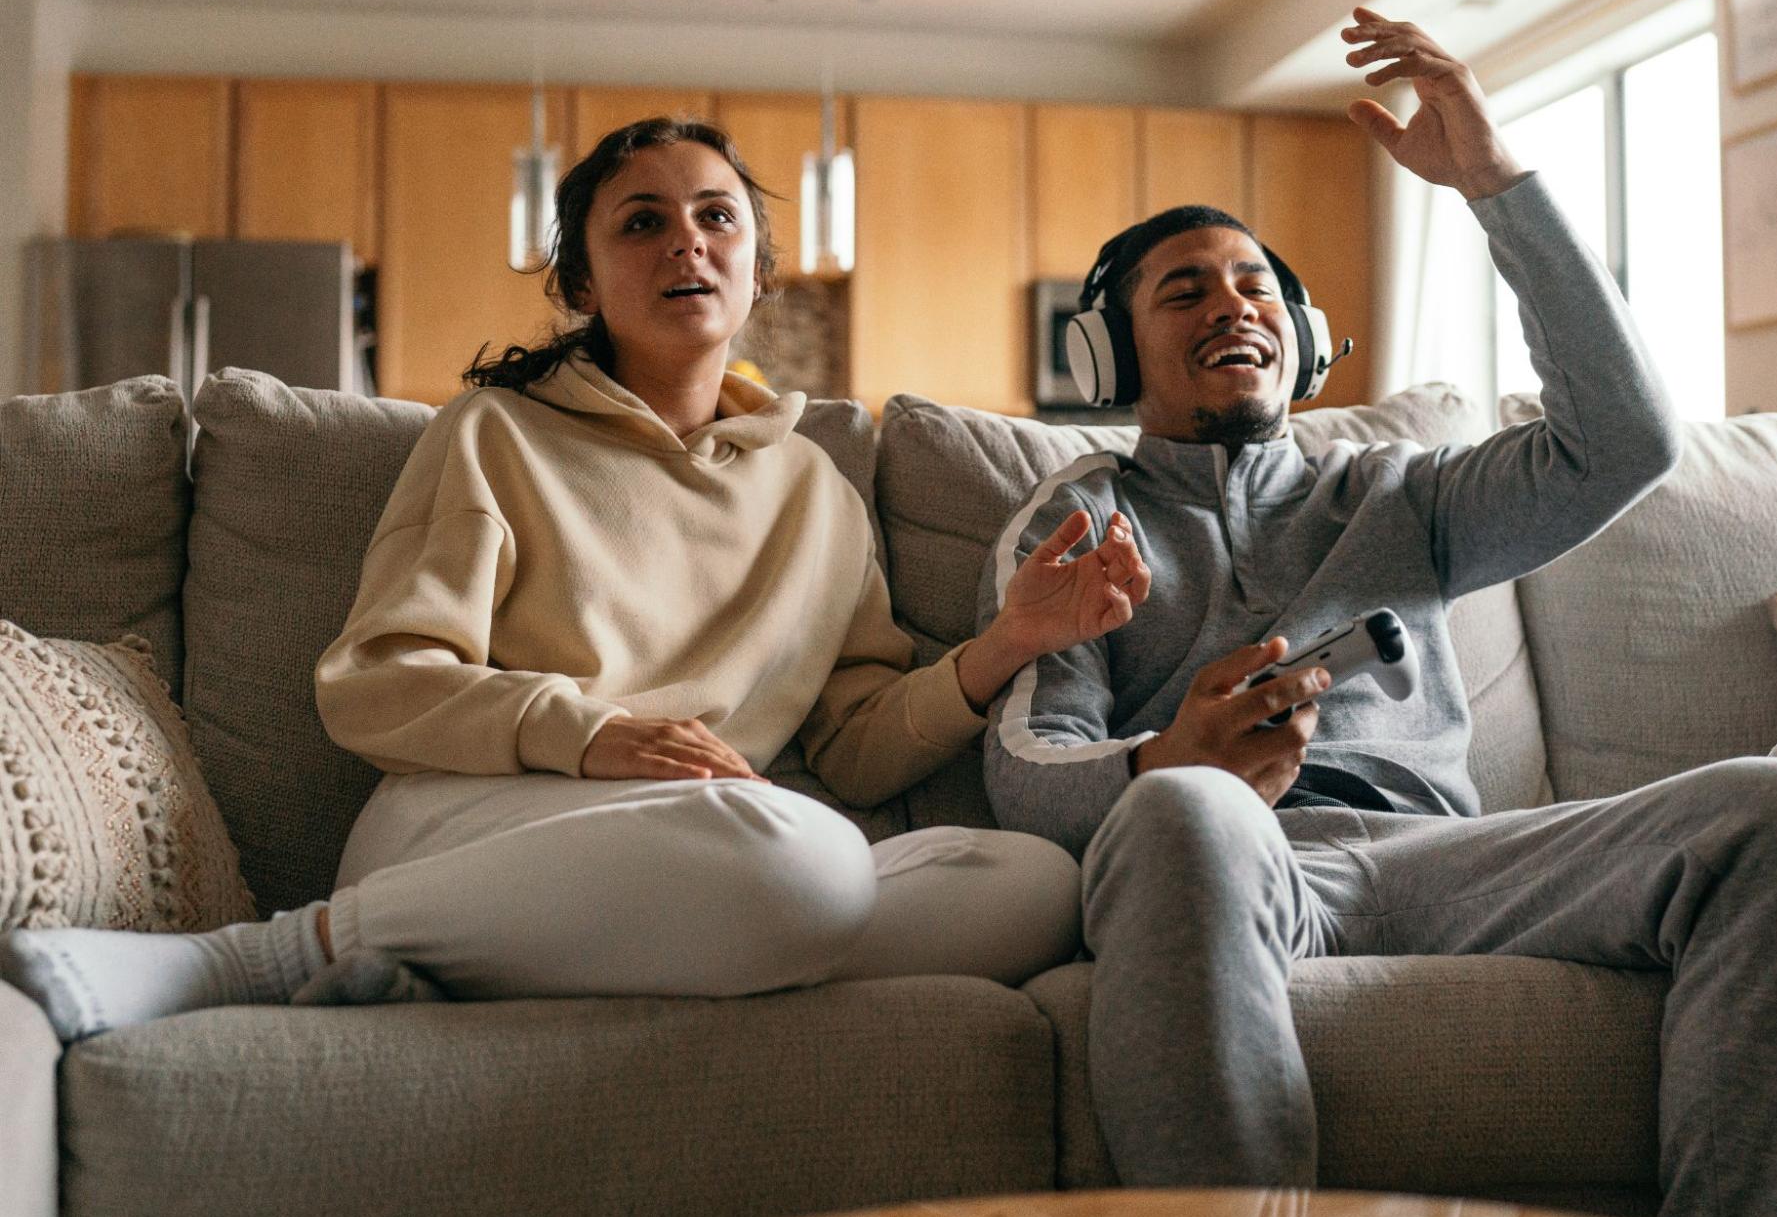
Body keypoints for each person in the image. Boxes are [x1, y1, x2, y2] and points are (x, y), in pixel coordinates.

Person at [978, 8, 1777, 1217]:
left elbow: (1624, 443)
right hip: (1234, 861)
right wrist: (1165, 758)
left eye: (1256, 288)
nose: (1232, 306)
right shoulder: (1075, 520)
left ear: (1302, 340)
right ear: (1110, 351)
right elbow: (1026, 764)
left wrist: (1498, 188)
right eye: (1183, 292)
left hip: (1453, 859)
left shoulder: (1403, 492)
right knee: (1190, 811)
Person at [2, 116, 1151, 1040]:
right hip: (475, 826)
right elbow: (376, 684)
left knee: (1031, 883)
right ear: (585, 281)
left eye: (715, 218)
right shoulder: (497, 435)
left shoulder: (816, 494)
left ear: (757, 270)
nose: (685, 243)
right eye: (642, 223)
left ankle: (513, 974)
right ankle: (268, 954)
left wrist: (1006, 642)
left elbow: (852, 743)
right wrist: (592, 735)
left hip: (701, 849)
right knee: (800, 861)